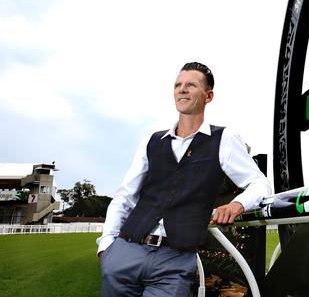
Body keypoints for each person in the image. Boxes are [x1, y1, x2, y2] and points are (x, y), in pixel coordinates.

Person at [97, 61, 272, 297]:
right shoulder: (152, 140)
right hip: (126, 252)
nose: (182, 89)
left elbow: (261, 183)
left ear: (208, 96)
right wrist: (107, 247)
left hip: (175, 259)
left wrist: (238, 204)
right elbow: (125, 196)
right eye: (178, 85)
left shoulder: (224, 139)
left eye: (191, 85)